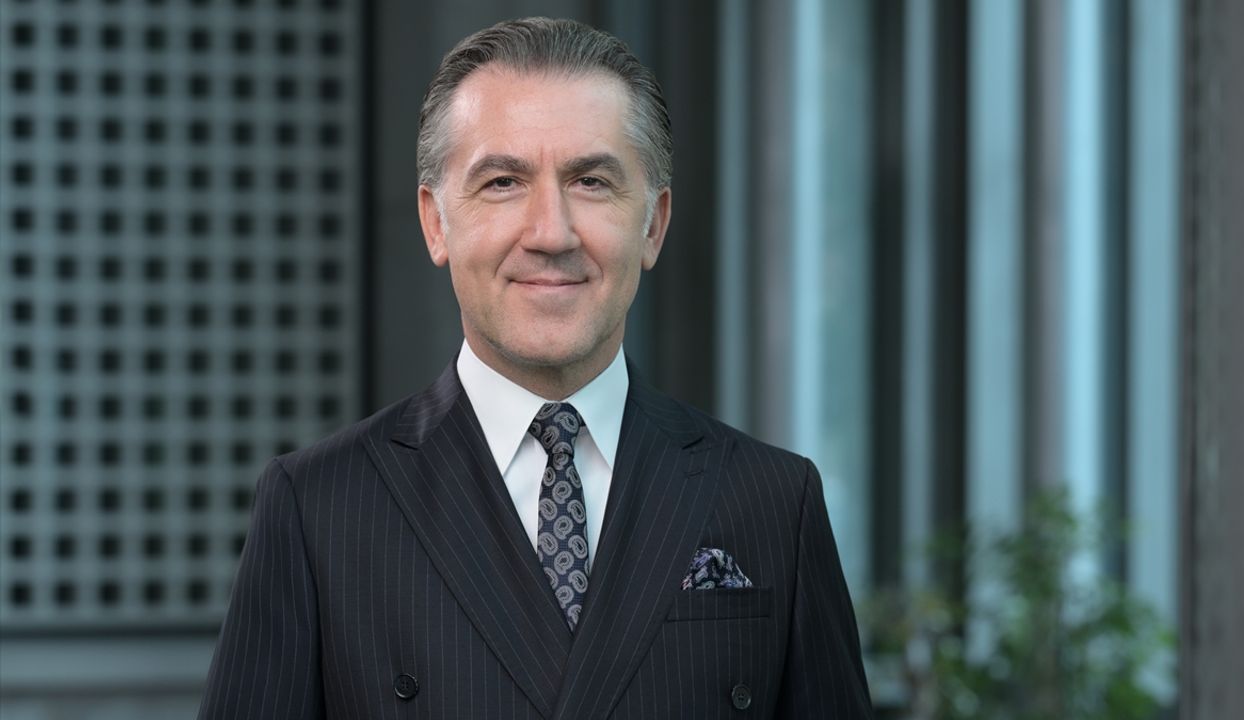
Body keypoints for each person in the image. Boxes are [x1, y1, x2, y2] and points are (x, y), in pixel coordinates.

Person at [199, 17, 873, 719]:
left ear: (653, 224)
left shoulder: (775, 502)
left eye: (591, 181)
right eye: (502, 182)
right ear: (436, 223)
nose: (551, 232)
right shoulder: (318, 510)